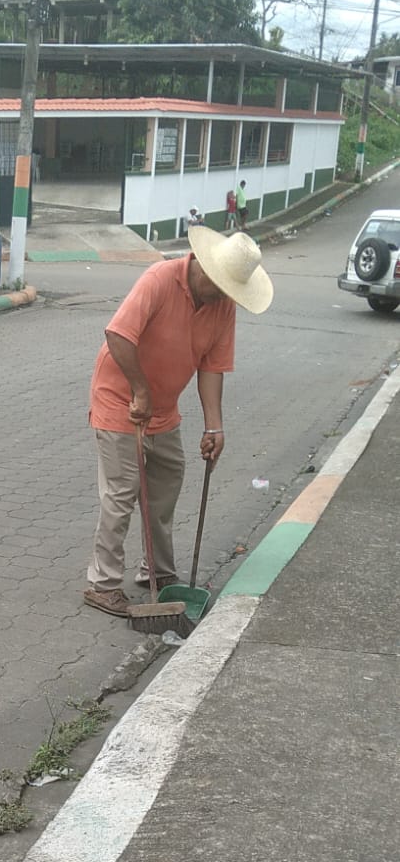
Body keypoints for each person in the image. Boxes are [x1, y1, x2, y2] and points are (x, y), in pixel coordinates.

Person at [83, 227, 273, 617]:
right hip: (121, 401)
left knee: (165, 488)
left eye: (229, 290)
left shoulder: (222, 305)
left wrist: (214, 427)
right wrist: (140, 390)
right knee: (121, 494)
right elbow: (118, 335)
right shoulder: (159, 279)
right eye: (219, 285)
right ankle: (103, 584)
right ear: (200, 264)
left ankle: (157, 571)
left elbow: (212, 367)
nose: (221, 295)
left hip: (164, 410)